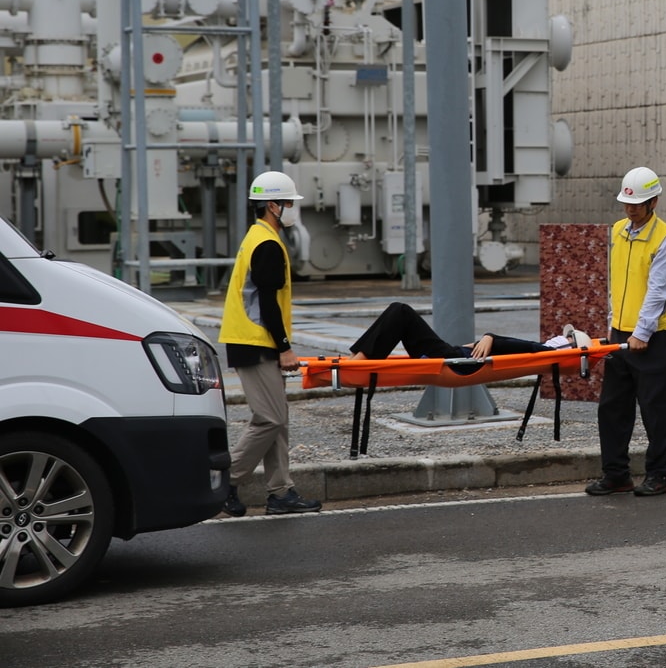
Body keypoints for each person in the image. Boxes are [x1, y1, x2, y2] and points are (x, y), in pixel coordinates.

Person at [219, 171, 322, 517]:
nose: (293, 209)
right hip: (255, 341)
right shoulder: (267, 245)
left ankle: (281, 491)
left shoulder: (258, 236)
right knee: (270, 418)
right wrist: (284, 347)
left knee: (279, 418)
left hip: (251, 339)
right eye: (290, 203)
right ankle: (225, 481)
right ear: (273, 205)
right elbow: (267, 303)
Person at [585, 166, 666, 498]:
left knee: (656, 409)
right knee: (612, 407)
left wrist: (642, 332)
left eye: (637, 204)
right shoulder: (617, 231)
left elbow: (658, 291)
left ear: (653, 201)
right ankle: (616, 474)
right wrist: (615, 325)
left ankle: (659, 475)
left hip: (652, 338)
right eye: (627, 203)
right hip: (619, 334)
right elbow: (616, 283)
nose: (630, 209)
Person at [347, 300, 590, 363]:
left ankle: (361, 359)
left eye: (567, 337)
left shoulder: (546, 350)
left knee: (400, 311)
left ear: (569, 344)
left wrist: (490, 336)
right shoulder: (545, 350)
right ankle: (362, 357)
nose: (562, 336)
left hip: (452, 359)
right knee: (399, 313)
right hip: (453, 355)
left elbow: (523, 346)